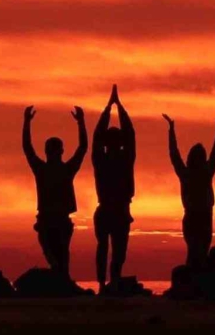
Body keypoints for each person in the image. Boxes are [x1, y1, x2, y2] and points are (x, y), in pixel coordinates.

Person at [22, 105, 88, 277]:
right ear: (61, 151)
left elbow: (27, 148)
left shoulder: (50, 169)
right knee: (58, 255)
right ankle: (62, 279)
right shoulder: (53, 169)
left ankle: (62, 281)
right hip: (50, 219)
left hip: (55, 219)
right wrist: (81, 123)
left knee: (58, 255)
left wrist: (27, 122)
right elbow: (82, 148)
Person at [164, 110, 215, 270]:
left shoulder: (190, 173)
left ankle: (193, 284)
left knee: (195, 253)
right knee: (199, 253)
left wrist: (171, 130)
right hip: (199, 217)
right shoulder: (201, 172)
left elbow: (174, 155)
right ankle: (196, 284)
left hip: (198, 217)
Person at [91, 85, 136, 289]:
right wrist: (110, 108)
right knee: (104, 248)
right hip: (107, 208)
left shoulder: (126, 158)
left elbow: (130, 135)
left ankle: (114, 280)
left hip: (121, 209)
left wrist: (118, 108)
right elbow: (97, 137)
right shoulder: (100, 158)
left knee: (119, 250)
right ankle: (103, 282)